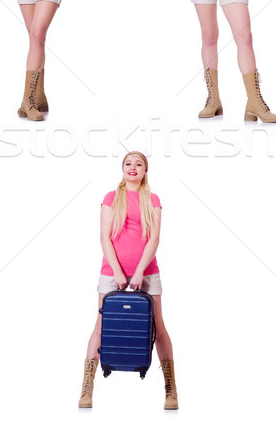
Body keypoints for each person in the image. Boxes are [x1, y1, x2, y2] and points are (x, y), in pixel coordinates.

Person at [78, 152, 178, 410]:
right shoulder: (111, 197)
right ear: (122, 168)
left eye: (139, 164)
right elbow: (104, 238)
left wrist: (139, 272)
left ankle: (170, 389)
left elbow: (154, 239)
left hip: (147, 273)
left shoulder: (152, 199)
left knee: (158, 328)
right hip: (112, 273)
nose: (133, 168)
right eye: (128, 164)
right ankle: (87, 388)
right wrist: (118, 271)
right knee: (101, 328)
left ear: (146, 170)